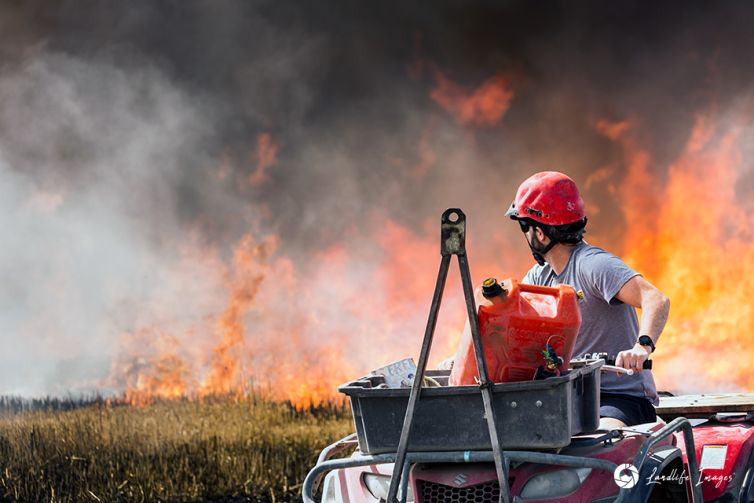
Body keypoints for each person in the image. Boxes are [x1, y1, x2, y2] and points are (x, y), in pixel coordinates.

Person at [505, 171, 669, 428]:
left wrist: (642, 347)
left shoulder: (593, 265)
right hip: (563, 400)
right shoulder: (539, 276)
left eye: (524, 227)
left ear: (540, 233)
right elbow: (512, 329)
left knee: (599, 445)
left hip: (618, 400)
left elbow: (655, 299)